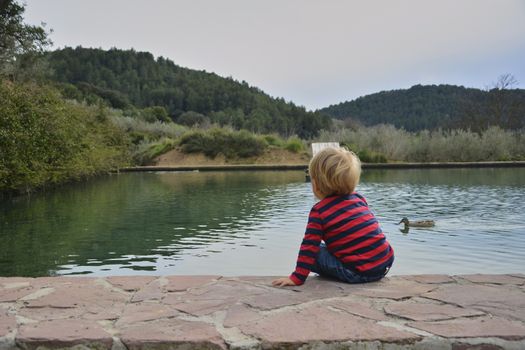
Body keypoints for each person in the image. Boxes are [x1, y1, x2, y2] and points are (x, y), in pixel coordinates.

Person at [272, 147, 394, 287]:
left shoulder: (319, 211)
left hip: (357, 273)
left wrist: (296, 278)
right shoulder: (359, 199)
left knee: (315, 253)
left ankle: (346, 270)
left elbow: (309, 246)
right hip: (384, 264)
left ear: (316, 184)